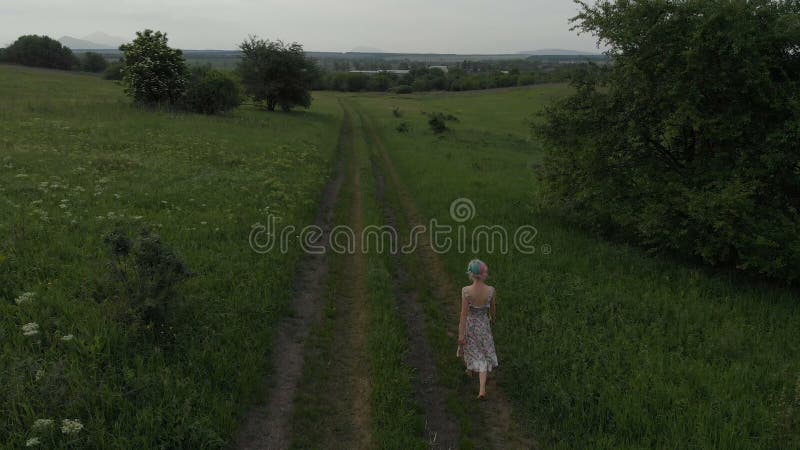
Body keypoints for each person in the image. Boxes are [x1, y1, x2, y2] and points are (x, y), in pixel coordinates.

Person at [458, 259, 498, 399]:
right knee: (483, 352)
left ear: (471, 275)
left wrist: (461, 333)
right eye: (486, 271)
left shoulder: (466, 291)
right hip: (484, 327)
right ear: (482, 274)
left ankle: (474, 376)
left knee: (471, 348)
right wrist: (492, 319)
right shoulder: (491, 291)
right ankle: (481, 388)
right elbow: (492, 310)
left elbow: (463, 314)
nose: (487, 273)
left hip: (471, 325)